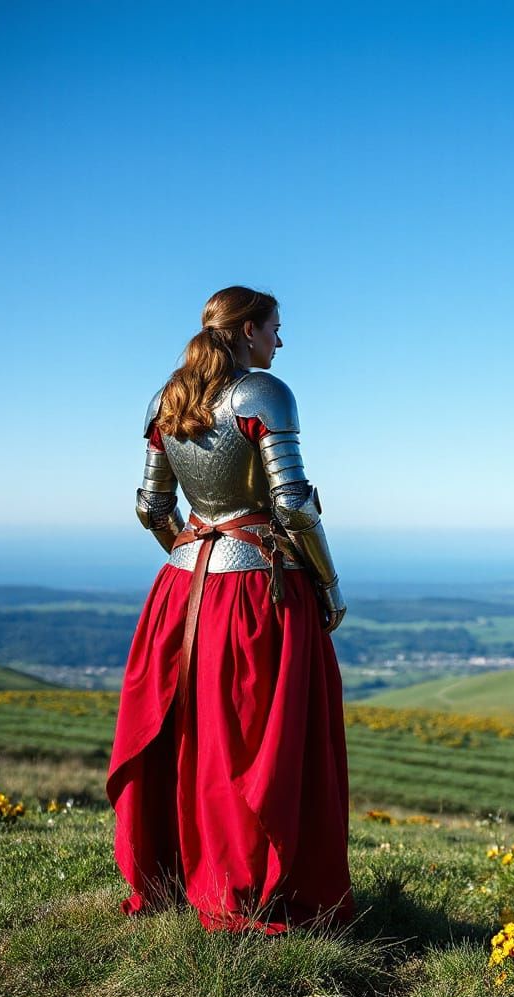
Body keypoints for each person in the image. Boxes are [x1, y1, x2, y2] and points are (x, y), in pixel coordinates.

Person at [105, 285, 355, 936]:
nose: (281, 340)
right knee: (256, 742)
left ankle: (177, 871)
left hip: (180, 589)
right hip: (256, 594)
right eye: (274, 328)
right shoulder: (264, 395)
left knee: (192, 731)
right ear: (247, 331)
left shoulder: (168, 399)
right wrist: (328, 585)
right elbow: (293, 504)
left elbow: (152, 508)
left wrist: (194, 554)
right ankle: (257, 882)